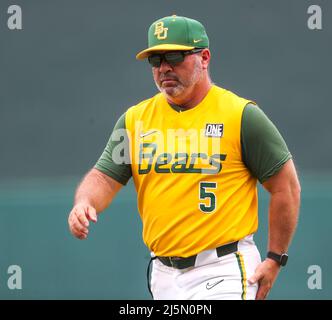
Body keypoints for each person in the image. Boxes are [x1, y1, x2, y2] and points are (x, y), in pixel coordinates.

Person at [67, 15, 301, 300]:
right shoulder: (135, 120)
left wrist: (275, 258)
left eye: (175, 56)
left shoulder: (240, 115)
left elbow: (285, 186)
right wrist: (84, 202)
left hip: (224, 267)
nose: (164, 67)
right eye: (156, 59)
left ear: (204, 58)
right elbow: (104, 176)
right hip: (163, 274)